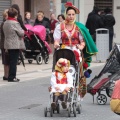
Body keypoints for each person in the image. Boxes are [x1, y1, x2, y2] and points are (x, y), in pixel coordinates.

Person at [53, 2, 98, 98]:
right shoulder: (60, 26)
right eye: (69, 14)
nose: (71, 16)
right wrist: (56, 44)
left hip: (76, 50)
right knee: (59, 63)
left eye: (73, 14)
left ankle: (77, 83)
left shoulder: (78, 27)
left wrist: (81, 46)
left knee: (79, 66)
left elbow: (83, 41)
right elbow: (56, 40)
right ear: (65, 15)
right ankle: (59, 83)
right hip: (64, 49)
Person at [3, 8, 25, 82]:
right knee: (13, 61)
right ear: (15, 15)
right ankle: (12, 77)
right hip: (15, 44)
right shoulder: (15, 23)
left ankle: (10, 76)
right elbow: (21, 33)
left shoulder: (5, 22)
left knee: (10, 61)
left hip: (7, 44)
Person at [0, 9, 9, 80]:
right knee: (5, 61)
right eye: (6, 16)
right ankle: (6, 75)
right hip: (4, 44)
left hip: (6, 44)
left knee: (6, 60)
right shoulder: (4, 24)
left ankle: (6, 75)